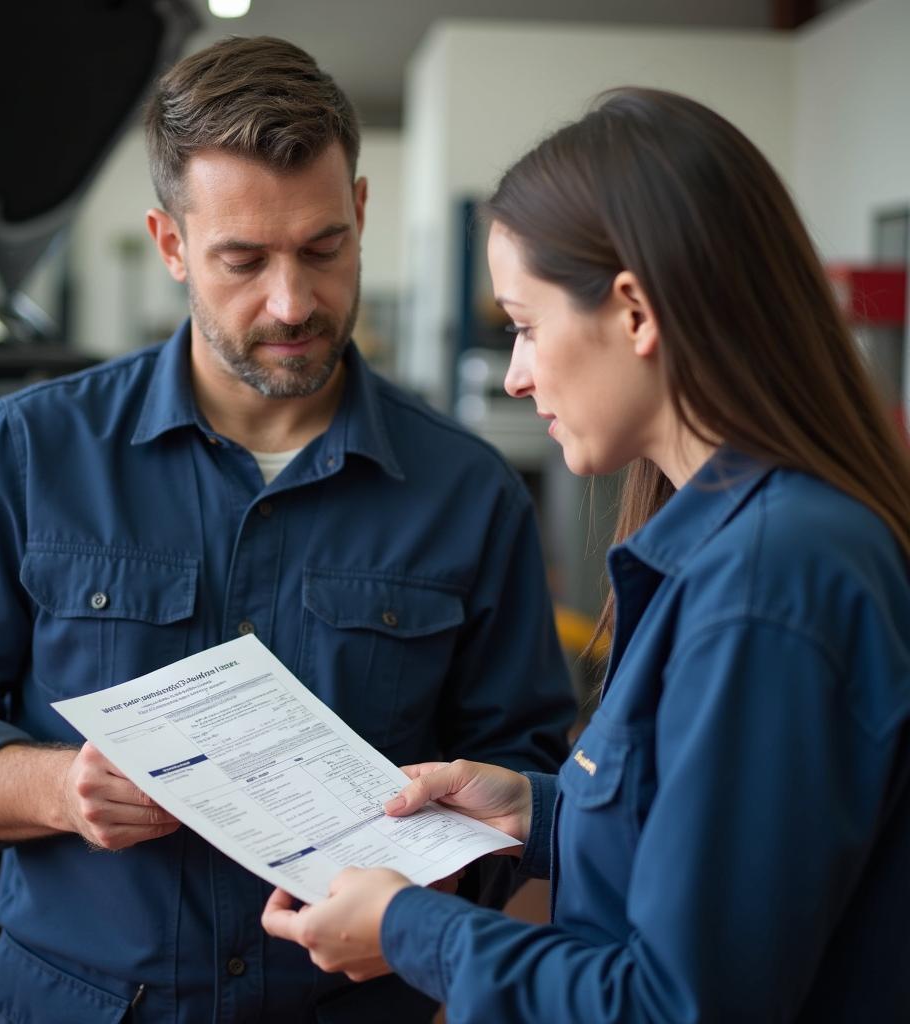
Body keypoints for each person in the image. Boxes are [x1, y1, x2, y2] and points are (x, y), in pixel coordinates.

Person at [0, 37, 574, 1024]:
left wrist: (422, 915)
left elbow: (527, 774)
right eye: (243, 261)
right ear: (170, 244)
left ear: (363, 213)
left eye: (323, 249)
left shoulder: (467, 492)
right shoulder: (32, 453)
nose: (291, 302)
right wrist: (54, 787)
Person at [262, 86, 910, 1023]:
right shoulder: (743, 541)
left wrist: (412, 929)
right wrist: (535, 813)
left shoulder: (771, 581)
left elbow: (676, 1004)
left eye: (525, 325)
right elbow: (716, 855)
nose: (518, 374)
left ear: (636, 312)